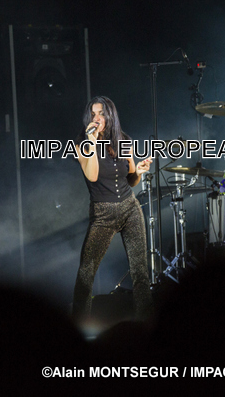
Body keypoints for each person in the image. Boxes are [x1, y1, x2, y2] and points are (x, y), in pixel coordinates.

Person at [71, 96, 153, 323]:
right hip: (103, 214)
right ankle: (79, 324)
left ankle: (146, 322)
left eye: (101, 113)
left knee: (140, 271)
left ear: (110, 116)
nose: (97, 118)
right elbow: (92, 175)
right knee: (86, 273)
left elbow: (131, 180)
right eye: (93, 114)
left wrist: (139, 172)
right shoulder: (81, 143)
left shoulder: (123, 140)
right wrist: (92, 141)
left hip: (130, 208)